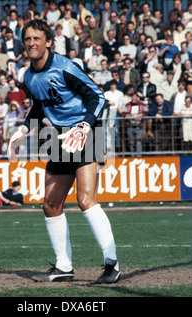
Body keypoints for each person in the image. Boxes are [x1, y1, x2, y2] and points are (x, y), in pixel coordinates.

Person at [8, 20, 120, 284]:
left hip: (86, 132)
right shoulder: (27, 76)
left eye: (37, 38)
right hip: (56, 136)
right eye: (27, 39)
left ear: (48, 41)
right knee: (50, 204)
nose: (32, 43)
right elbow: (40, 104)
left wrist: (83, 126)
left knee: (85, 200)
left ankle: (111, 264)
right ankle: (64, 266)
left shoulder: (66, 67)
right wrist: (24, 129)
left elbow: (98, 96)